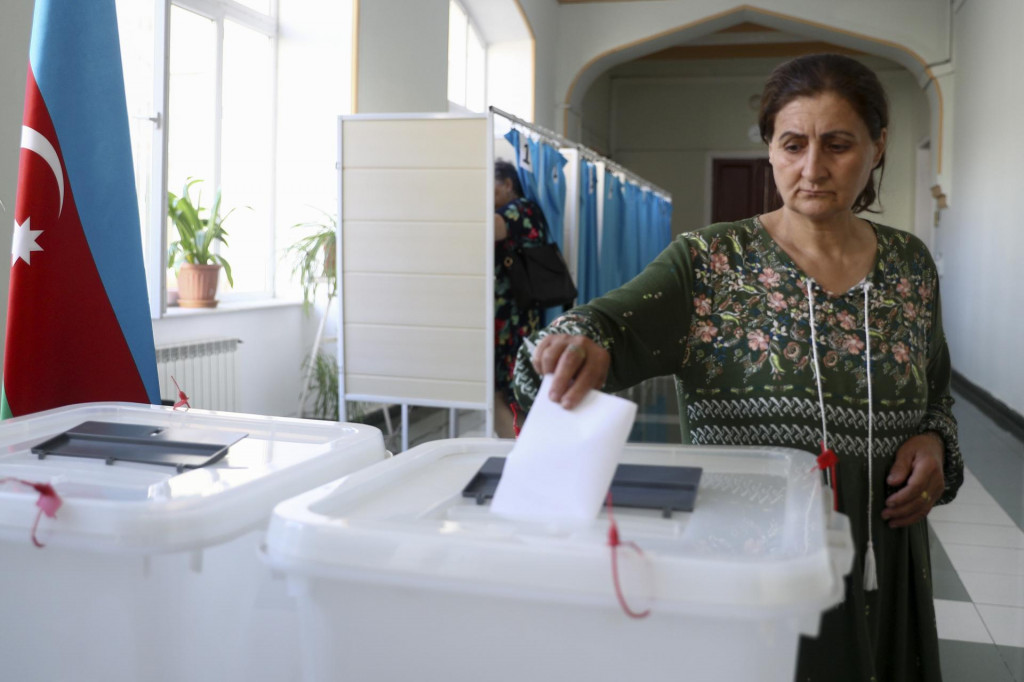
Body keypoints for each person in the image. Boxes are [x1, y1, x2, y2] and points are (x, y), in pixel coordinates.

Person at [512, 53, 963, 682]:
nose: (813, 168)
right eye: (793, 144)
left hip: (881, 553)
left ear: (878, 147)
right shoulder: (708, 263)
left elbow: (936, 395)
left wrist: (933, 441)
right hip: (752, 560)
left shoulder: (911, 266)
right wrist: (572, 344)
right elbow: (605, 324)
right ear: (770, 150)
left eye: (838, 145)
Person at [493, 159, 549, 438]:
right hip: (521, 314)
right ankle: (522, 446)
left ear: (507, 184)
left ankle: (518, 450)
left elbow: (489, 230)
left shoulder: (518, 210)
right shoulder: (530, 209)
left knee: (506, 391)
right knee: (511, 389)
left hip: (512, 317)